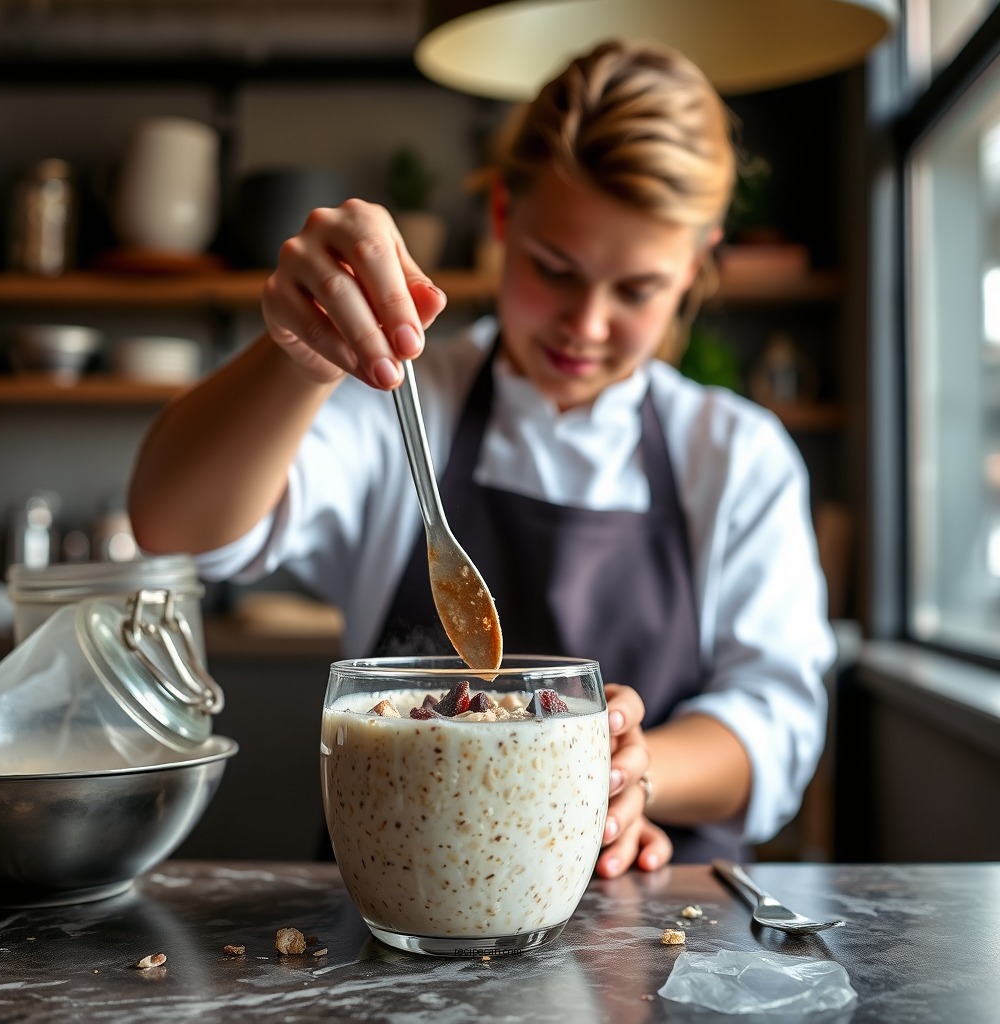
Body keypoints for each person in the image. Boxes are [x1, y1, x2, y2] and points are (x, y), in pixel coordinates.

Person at [127, 38, 835, 876]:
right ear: (504, 217)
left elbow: (774, 721)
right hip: (403, 894)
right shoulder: (401, 400)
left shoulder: (736, 456)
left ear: (696, 264)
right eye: (554, 268)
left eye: (637, 289)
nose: (588, 322)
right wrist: (298, 356)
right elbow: (175, 526)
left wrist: (628, 771)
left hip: (651, 919)